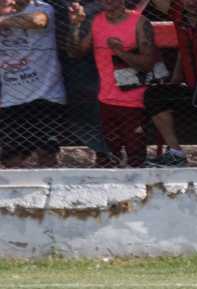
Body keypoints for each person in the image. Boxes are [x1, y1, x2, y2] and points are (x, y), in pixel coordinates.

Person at [67, 0, 158, 167]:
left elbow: (148, 63)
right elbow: (76, 53)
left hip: (134, 101)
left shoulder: (139, 22)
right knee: (108, 159)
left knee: (135, 158)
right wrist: (75, 26)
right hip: (105, 100)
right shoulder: (97, 21)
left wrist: (120, 52)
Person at [141, 0, 197, 166]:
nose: (191, 2)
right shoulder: (179, 14)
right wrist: (176, 78)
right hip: (193, 89)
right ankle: (176, 153)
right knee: (155, 96)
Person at [0, 0, 65, 167]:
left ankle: (51, 188)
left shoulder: (41, 7)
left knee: (46, 153)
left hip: (44, 93)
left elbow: (38, 21)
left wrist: (3, 20)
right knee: (10, 158)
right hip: (10, 96)